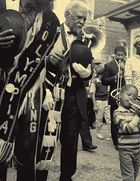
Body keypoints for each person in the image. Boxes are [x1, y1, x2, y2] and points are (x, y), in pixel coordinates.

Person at [0, 0, 60, 181]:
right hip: (2, 86)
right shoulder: (4, 3)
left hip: (31, 91)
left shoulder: (50, 20)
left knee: (28, 149)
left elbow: (45, 60)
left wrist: (52, 62)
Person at [46, 1, 97, 180]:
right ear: (67, 15)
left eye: (85, 18)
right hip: (50, 94)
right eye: (79, 17)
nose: (83, 22)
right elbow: (37, 59)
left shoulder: (88, 40)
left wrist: (88, 74)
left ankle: (66, 177)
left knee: (70, 140)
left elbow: (90, 70)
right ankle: (39, 173)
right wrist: (48, 58)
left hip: (74, 96)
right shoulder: (52, 32)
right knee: (46, 138)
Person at [113, 84, 140, 181]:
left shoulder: (134, 112)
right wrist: (137, 116)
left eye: (134, 97)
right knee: (128, 177)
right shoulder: (117, 112)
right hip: (126, 150)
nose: (131, 98)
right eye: (129, 94)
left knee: (134, 175)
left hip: (137, 149)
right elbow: (127, 129)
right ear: (120, 95)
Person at [101, 45, 126, 149]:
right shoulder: (109, 65)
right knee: (115, 118)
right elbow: (104, 81)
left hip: (125, 96)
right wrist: (115, 77)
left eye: (122, 55)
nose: (120, 57)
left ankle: (124, 139)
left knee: (125, 118)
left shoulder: (127, 65)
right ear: (115, 55)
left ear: (125, 55)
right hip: (114, 96)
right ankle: (116, 142)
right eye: (118, 55)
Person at [90, 63, 111, 140]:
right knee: (99, 118)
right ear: (99, 74)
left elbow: (108, 91)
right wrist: (94, 105)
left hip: (106, 101)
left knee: (108, 118)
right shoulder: (95, 82)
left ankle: (111, 133)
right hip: (99, 101)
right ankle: (98, 132)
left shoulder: (106, 82)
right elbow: (92, 94)